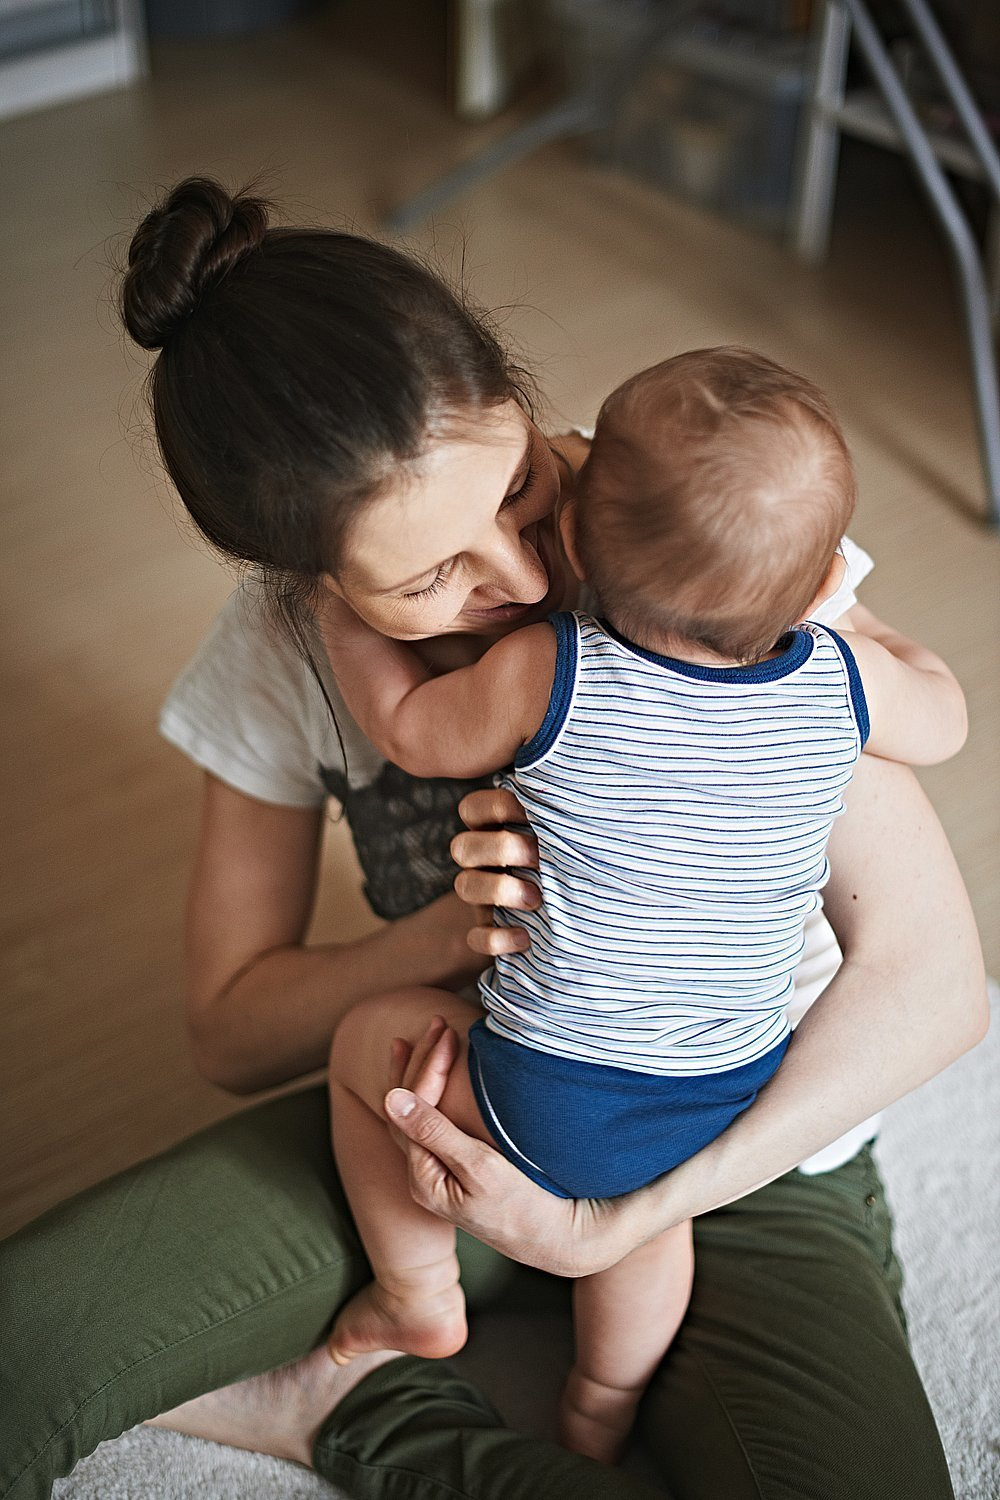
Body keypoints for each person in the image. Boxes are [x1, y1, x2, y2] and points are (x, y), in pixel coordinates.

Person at [0, 177, 987, 1500]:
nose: (524, 581)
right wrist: (445, 934)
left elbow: (930, 983)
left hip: (739, 1159)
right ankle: (385, 1384)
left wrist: (619, 1221)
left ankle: (372, 1422)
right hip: (440, 1108)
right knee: (24, 1347)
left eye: (524, 489)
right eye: (428, 583)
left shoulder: (692, 527)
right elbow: (229, 1030)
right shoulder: (286, 652)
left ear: (520, 400)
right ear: (312, 589)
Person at [316, 346, 968, 1463]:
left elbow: (409, 732)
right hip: (736, 1082)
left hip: (548, 1088)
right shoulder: (837, 680)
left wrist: (340, 617)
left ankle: (413, 1289)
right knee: (647, 1223)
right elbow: (946, 720)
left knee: (367, 1044)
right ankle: (602, 1397)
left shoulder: (544, 669)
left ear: (571, 543)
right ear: (820, 587)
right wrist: (851, 629)